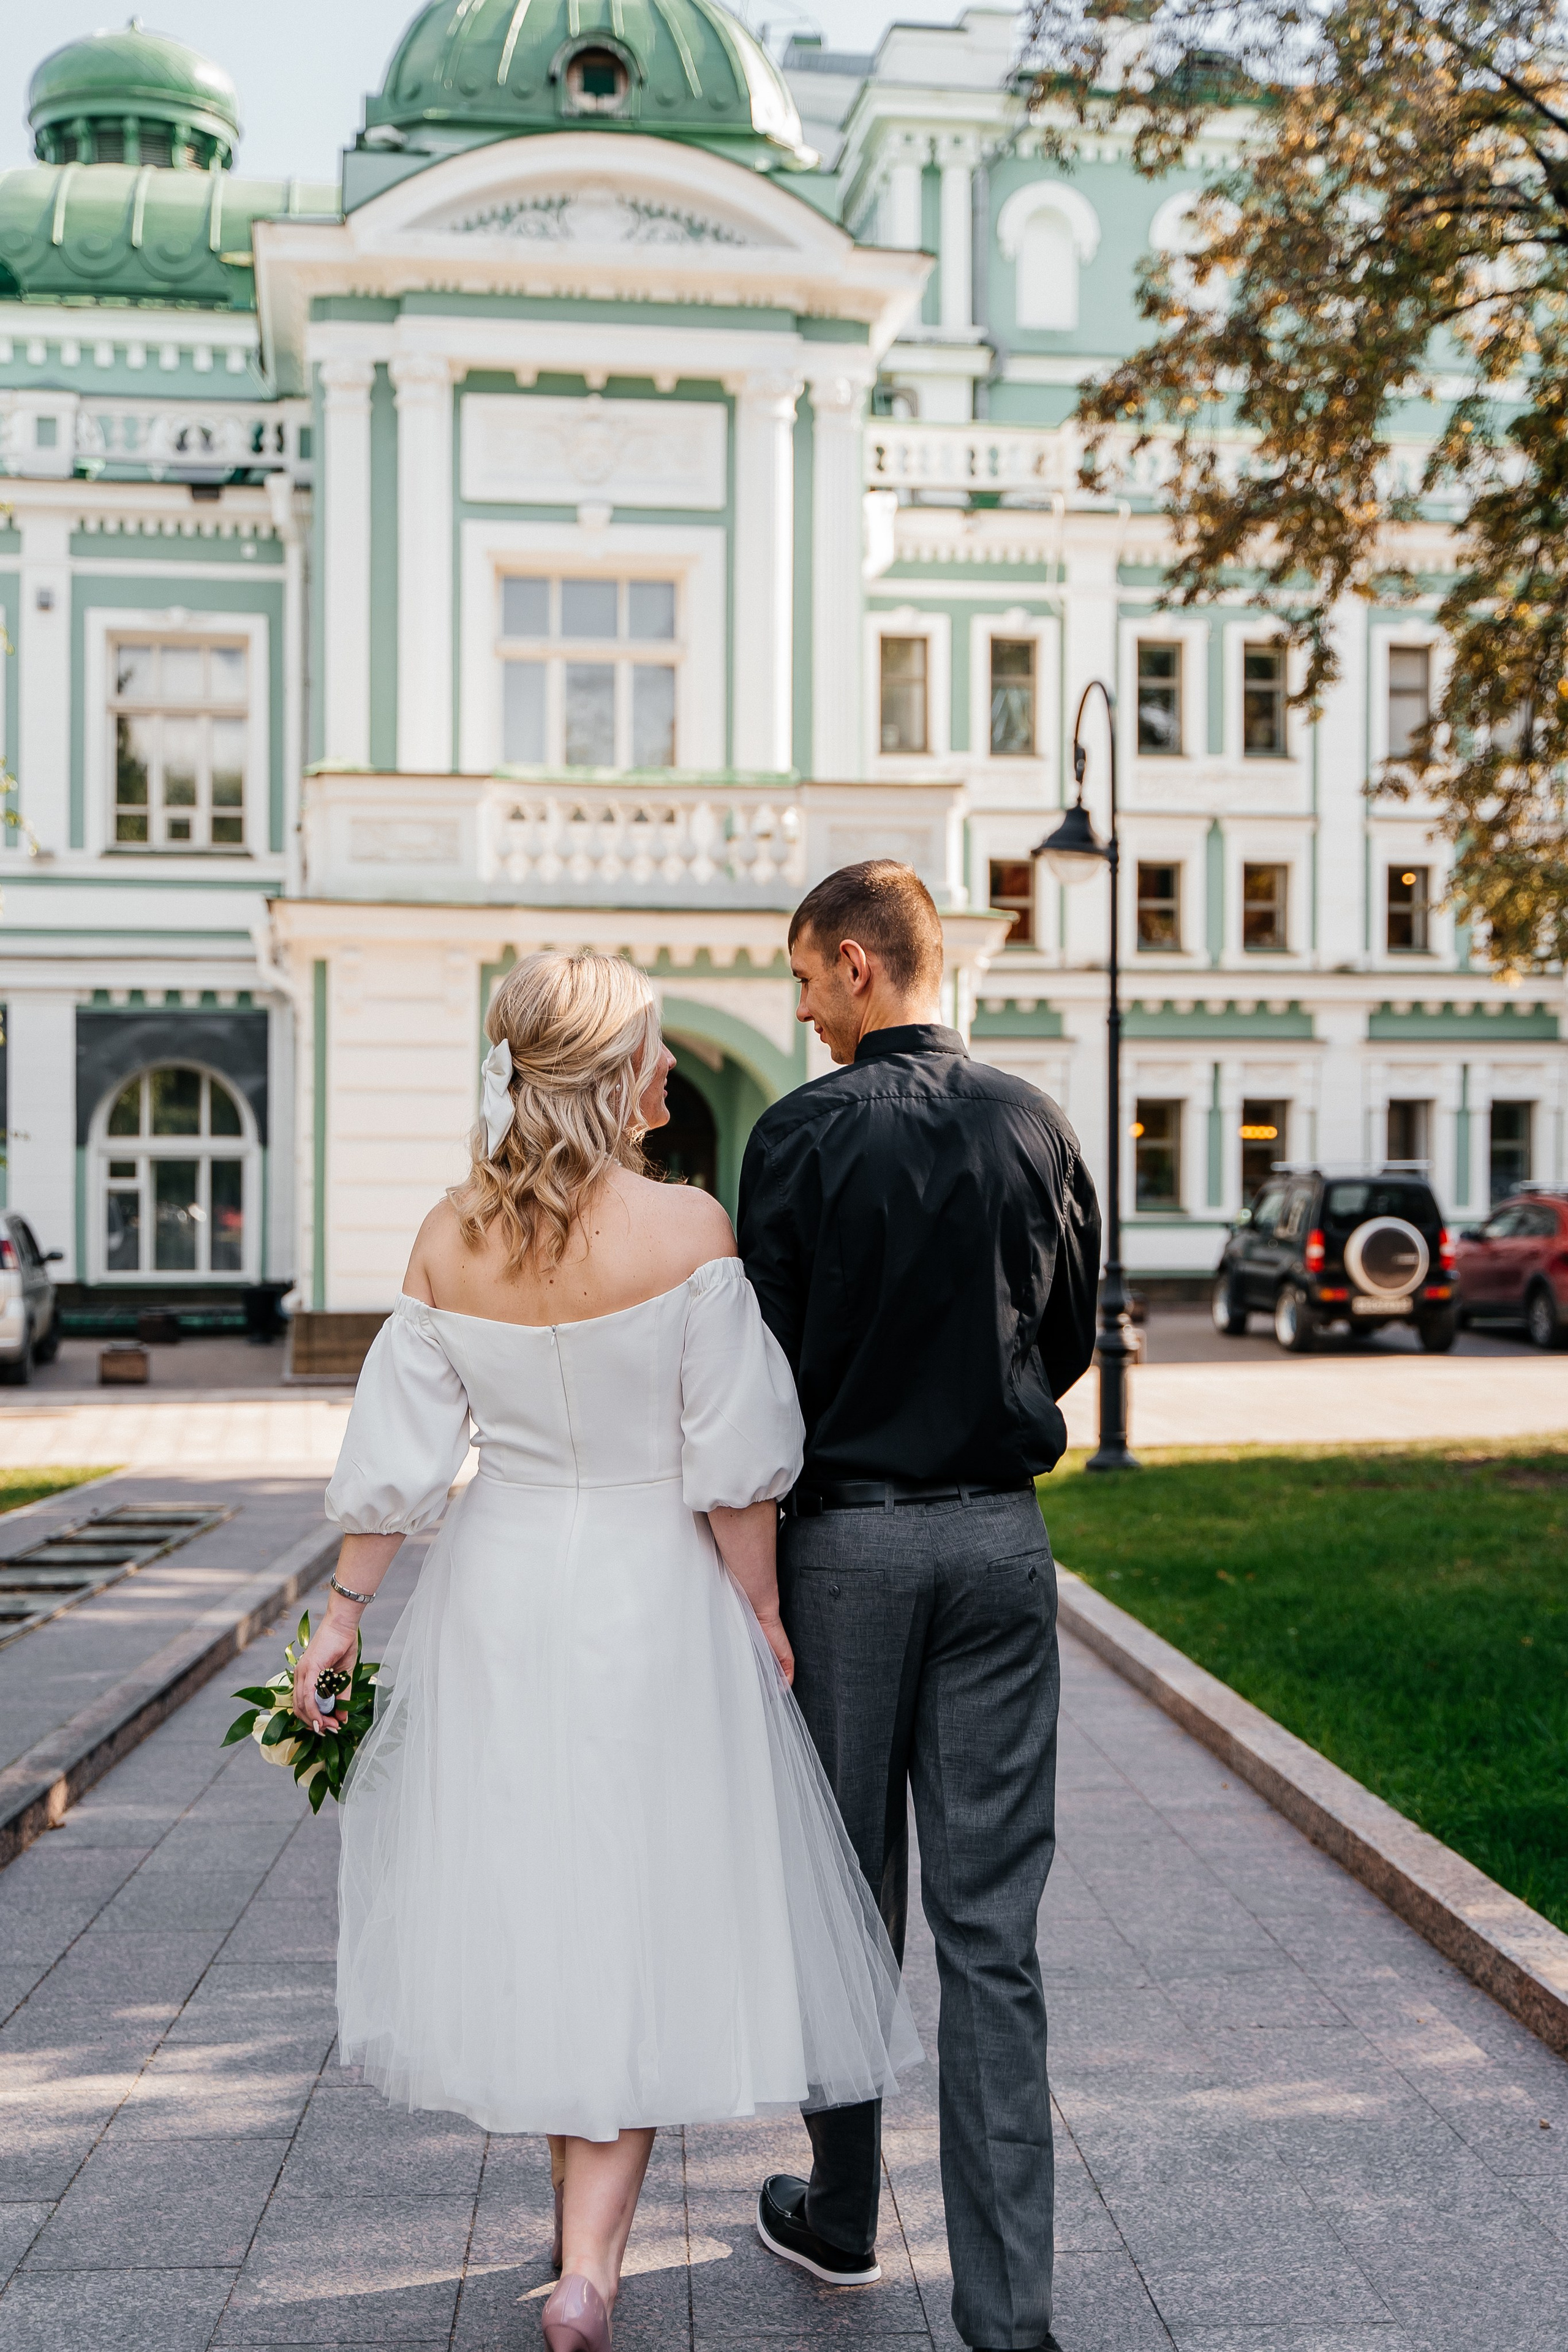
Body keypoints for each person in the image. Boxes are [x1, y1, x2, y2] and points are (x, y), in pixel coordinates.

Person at [293, 950, 919, 2352]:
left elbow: (394, 1465)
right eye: (651, 1051)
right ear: (612, 1076)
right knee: (637, 1908)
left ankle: (576, 2256)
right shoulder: (689, 1229)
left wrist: (339, 1620)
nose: (670, 1074)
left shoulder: (450, 1238)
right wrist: (760, 1609)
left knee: (539, 1888)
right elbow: (735, 1466)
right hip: (654, 1587)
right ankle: (588, 2269)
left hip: (503, 1587)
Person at [737, 861, 1100, 2352]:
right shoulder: (1034, 1121)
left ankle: (838, 2210)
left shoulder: (796, 1137)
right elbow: (1071, 1335)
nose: (803, 1009)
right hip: (1000, 1547)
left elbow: (757, 1382)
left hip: (847, 1549)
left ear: (857, 964)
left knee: (845, 1897)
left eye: (807, 981)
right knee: (991, 1934)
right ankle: (1008, 2316)